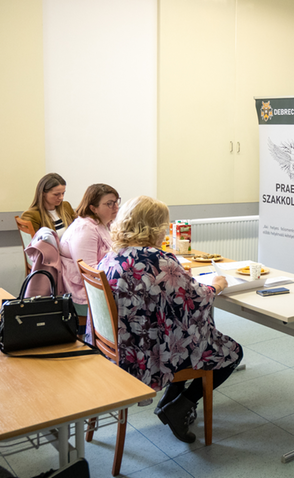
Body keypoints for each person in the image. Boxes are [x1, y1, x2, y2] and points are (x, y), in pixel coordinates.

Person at [99, 195, 243, 443]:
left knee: (183, 336)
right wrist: (217, 285)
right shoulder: (159, 260)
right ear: (155, 227)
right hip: (148, 354)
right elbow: (197, 298)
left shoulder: (111, 256)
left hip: (120, 346)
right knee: (231, 351)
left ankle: (170, 398)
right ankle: (180, 405)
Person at [60, 184, 121, 327]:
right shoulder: (85, 229)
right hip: (85, 293)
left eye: (116, 201)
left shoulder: (104, 223)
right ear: (93, 208)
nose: (116, 207)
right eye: (109, 203)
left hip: (101, 285)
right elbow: (89, 273)